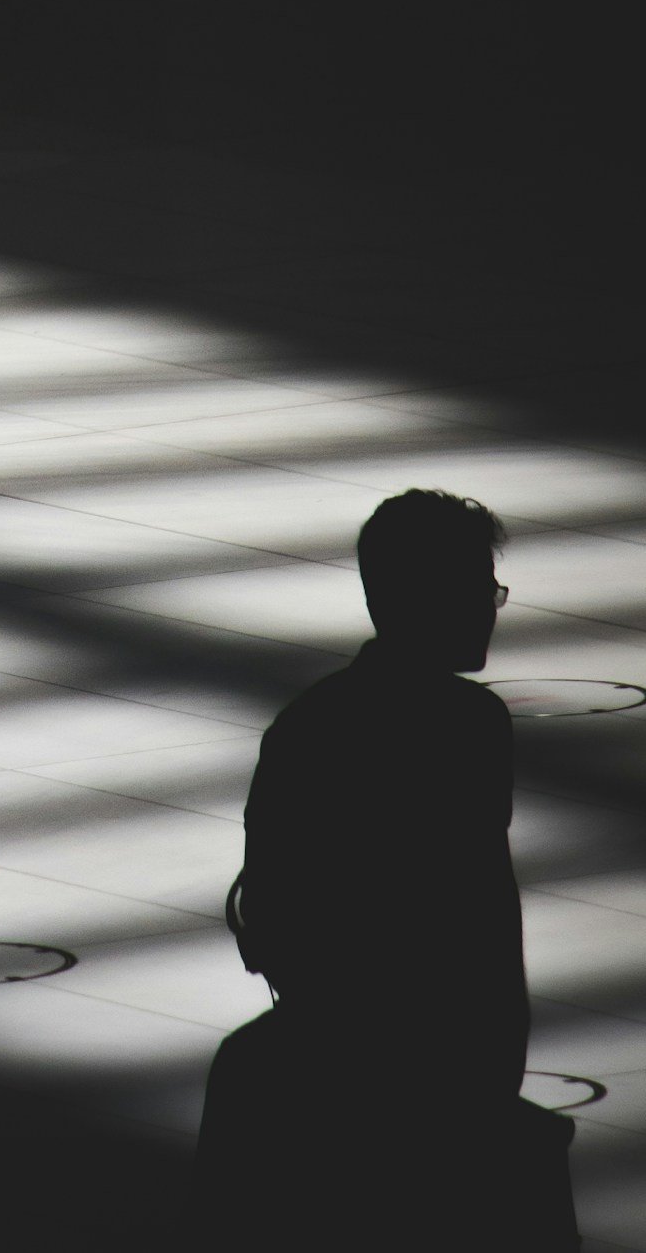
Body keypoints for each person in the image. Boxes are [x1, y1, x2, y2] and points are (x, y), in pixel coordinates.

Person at [192, 489, 577, 1251]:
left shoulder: (306, 725)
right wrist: (492, 1074)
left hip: (325, 1041)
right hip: (432, 1059)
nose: (491, 607)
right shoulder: (469, 727)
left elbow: (270, 903)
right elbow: (478, 916)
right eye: (477, 588)